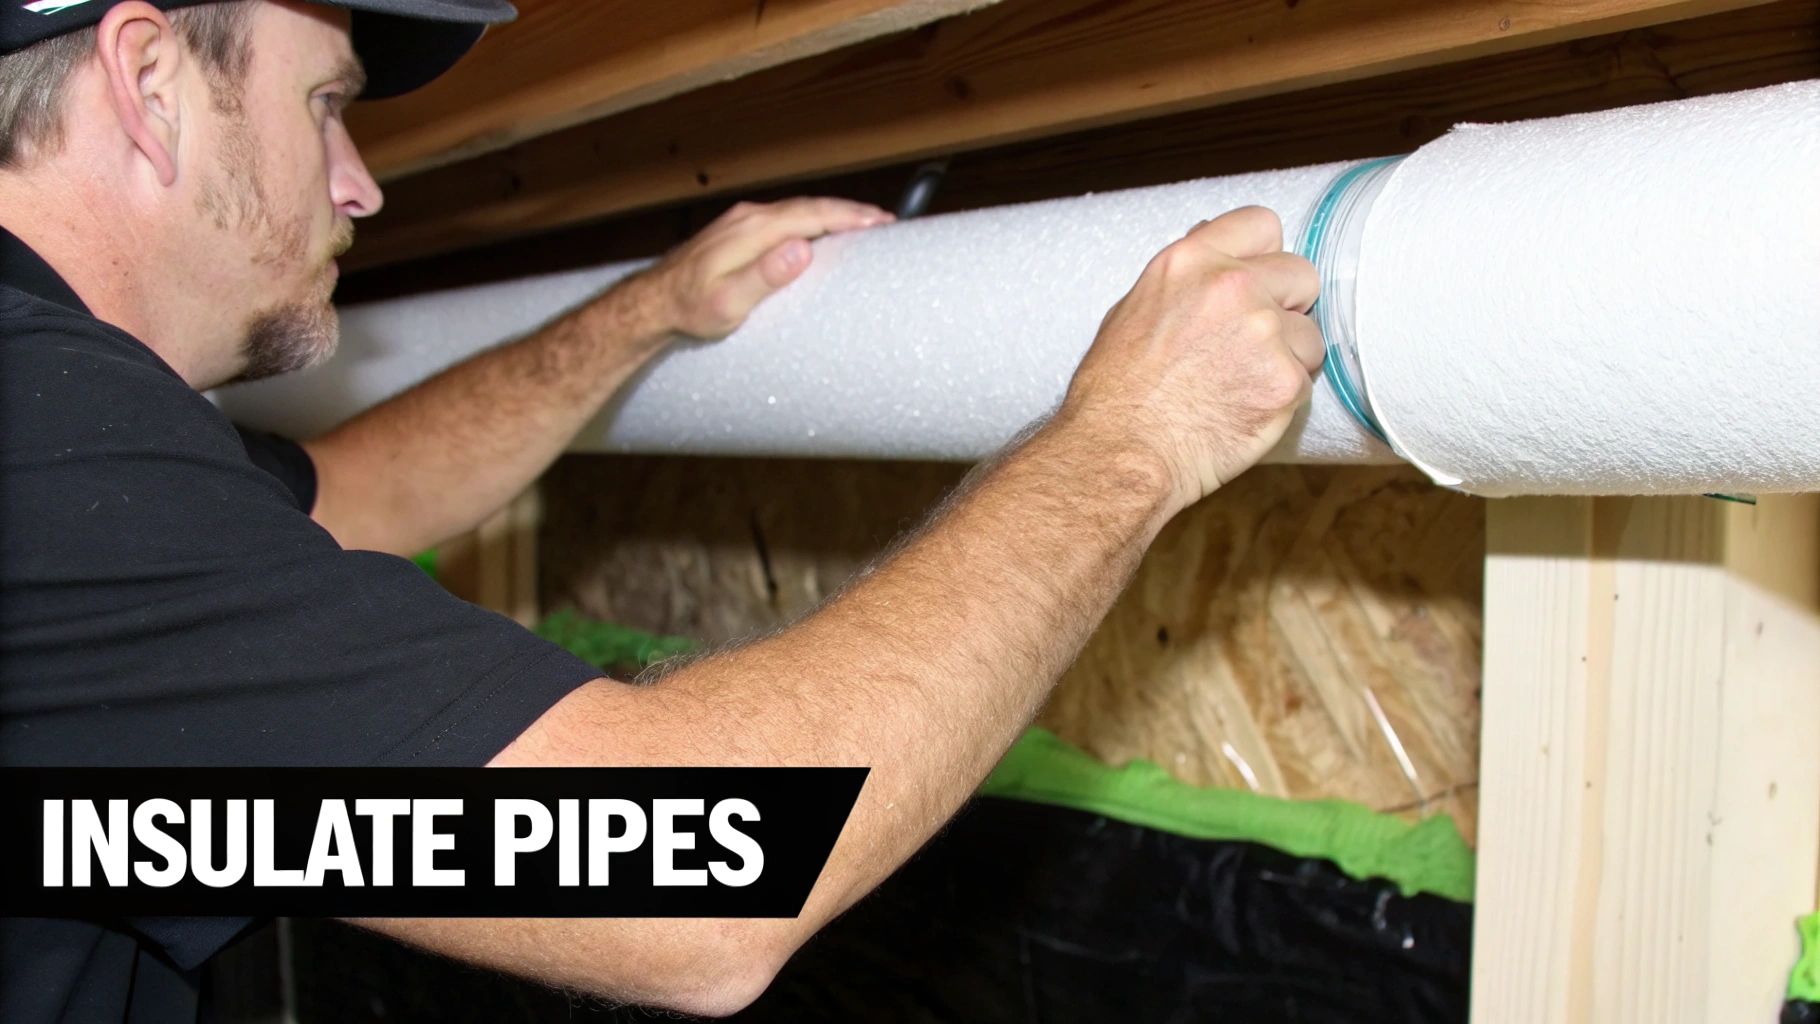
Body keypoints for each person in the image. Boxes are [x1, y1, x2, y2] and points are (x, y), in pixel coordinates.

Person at [0, 0, 1324, 1019]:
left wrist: (644, 315)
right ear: (149, 80)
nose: (360, 182)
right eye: (324, 100)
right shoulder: (36, 427)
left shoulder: (79, 453)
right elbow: (688, 876)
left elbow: (353, 497)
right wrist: (1135, 439)